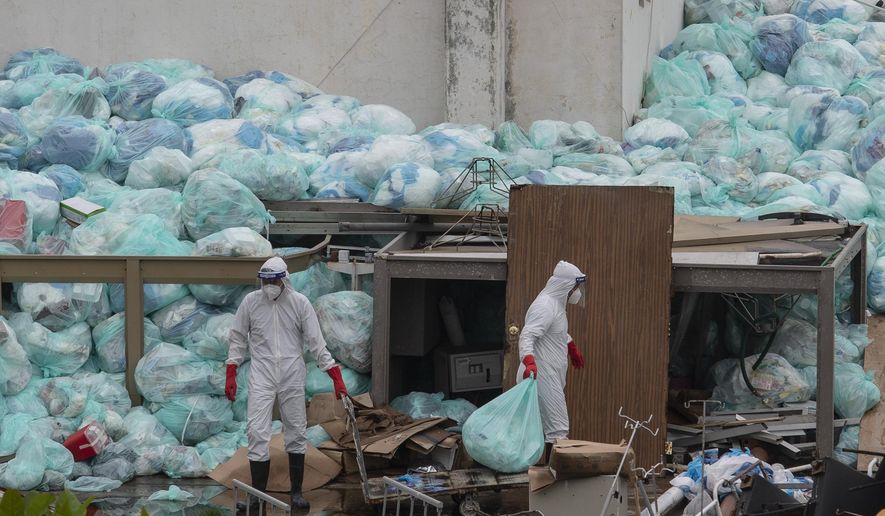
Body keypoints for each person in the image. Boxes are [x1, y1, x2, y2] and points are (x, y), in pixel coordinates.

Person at [225, 256, 348, 511]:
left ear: (284, 280)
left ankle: (296, 492)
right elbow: (237, 338)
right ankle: (257, 495)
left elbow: (317, 343)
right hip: (262, 371)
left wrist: (334, 375)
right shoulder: (251, 303)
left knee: (296, 429)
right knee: (257, 430)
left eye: (273, 280)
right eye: (265, 280)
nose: (269, 285)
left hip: (292, 372)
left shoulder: (299, 303)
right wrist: (231, 370)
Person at [517, 260, 586, 453]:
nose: (577, 292)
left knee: (540, 427)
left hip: (548, 371)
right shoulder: (546, 306)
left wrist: (570, 346)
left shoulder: (556, 305)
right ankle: (552, 477)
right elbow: (528, 335)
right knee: (558, 430)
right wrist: (529, 362)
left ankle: (537, 475)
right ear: (565, 285)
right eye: (576, 287)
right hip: (541, 373)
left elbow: (555, 332)